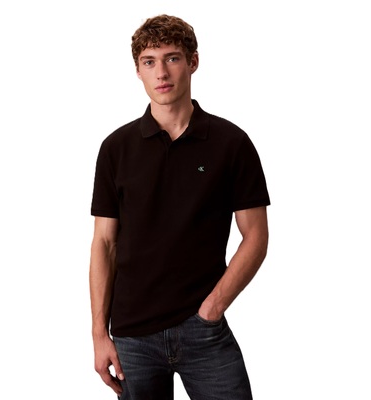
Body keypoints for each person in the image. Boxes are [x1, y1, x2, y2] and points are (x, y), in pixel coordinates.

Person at [89, 14, 270, 400]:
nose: (161, 72)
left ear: (193, 62)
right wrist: (98, 334)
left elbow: (256, 236)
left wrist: (213, 308)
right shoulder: (116, 149)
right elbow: (104, 243)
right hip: (133, 336)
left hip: (203, 329)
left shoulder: (231, 143)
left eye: (172, 58)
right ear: (137, 70)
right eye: (149, 61)